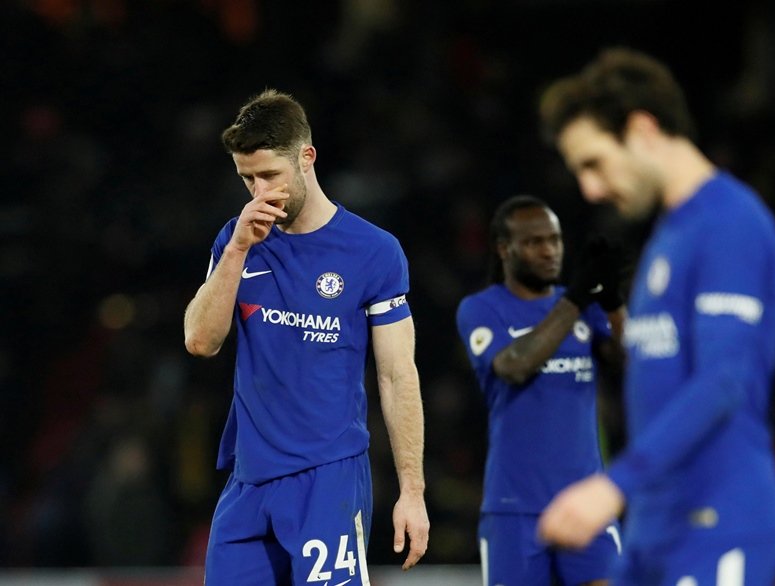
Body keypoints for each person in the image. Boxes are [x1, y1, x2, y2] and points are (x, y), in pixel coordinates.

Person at [536, 48, 775, 586]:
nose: (590, 189)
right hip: (657, 525)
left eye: (594, 162)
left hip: (717, 520)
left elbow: (725, 380)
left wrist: (613, 486)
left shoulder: (730, 224)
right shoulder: (668, 240)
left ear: (643, 128)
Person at [183, 89, 429, 585]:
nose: (259, 192)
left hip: (328, 479)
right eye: (247, 179)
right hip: (248, 480)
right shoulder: (238, 240)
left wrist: (412, 491)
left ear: (306, 158)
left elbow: (397, 375)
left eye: (270, 175)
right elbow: (200, 341)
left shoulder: (374, 251)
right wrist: (236, 250)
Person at [456, 194, 627, 586]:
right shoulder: (481, 308)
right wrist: (575, 299)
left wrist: (614, 303)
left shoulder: (584, 307)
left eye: (555, 240)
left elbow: (629, 362)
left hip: (586, 502)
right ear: (505, 249)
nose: (550, 251)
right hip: (514, 507)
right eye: (535, 242)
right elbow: (514, 366)